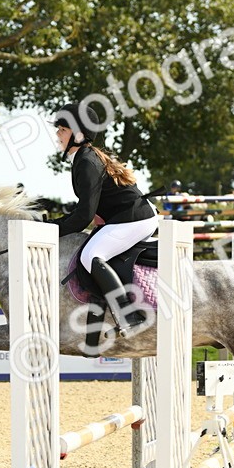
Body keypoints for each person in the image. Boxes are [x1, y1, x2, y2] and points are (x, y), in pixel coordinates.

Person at [51, 102, 159, 337]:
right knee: (89, 254)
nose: (57, 135)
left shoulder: (87, 163)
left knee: (91, 256)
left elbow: (83, 216)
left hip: (133, 219)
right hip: (127, 217)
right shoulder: (83, 159)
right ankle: (93, 335)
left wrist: (49, 229)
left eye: (62, 130)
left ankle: (130, 317)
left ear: (78, 134)